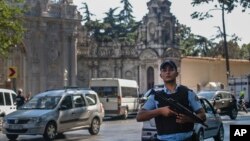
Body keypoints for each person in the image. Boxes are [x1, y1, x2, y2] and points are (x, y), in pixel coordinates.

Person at [136, 60, 206, 141]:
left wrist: (189, 119)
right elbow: (139, 116)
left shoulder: (188, 93)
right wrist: (160, 111)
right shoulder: (155, 96)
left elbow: (203, 116)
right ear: (161, 75)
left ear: (177, 73)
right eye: (164, 70)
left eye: (171, 69)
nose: (168, 72)